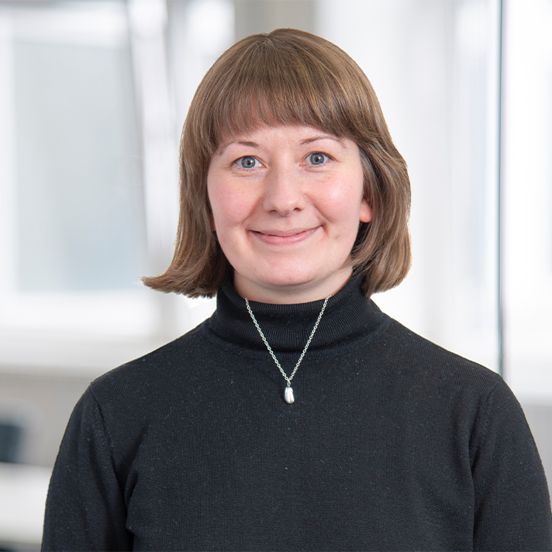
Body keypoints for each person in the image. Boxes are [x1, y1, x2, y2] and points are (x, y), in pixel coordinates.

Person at [42, 28, 552, 551]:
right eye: (247, 161)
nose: (283, 198)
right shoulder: (115, 416)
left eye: (317, 158)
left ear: (369, 192)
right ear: (206, 198)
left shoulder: (474, 414)